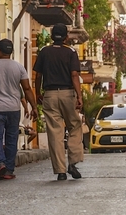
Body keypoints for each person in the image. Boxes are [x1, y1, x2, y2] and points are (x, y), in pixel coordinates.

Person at [0, 38, 37, 181]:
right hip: (13, 109)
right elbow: (27, 88)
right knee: (12, 139)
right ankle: (9, 169)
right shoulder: (19, 67)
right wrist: (34, 107)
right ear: (10, 52)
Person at [32, 23, 84, 181]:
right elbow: (74, 75)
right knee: (74, 126)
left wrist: (38, 93)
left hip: (50, 95)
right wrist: (79, 95)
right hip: (68, 94)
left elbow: (38, 76)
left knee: (55, 132)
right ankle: (73, 162)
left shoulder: (44, 51)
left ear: (52, 36)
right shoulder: (71, 52)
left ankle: (60, 170)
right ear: (66, 37)